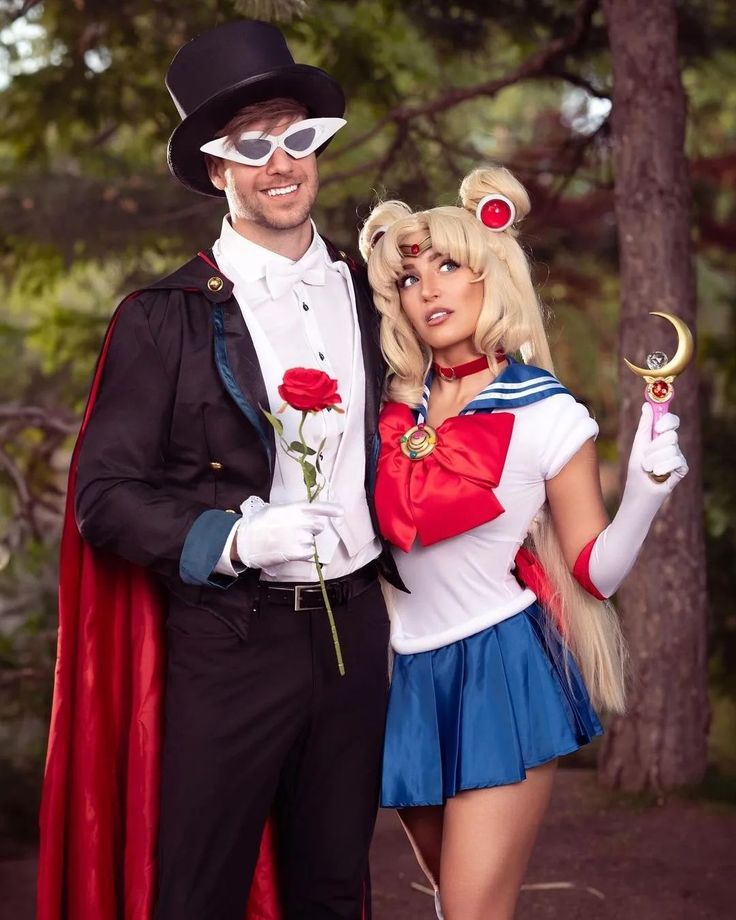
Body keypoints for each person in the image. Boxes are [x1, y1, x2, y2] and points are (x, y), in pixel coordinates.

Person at [37, 19, 402, 920]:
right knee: (198, 890)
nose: (281, 164)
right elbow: (102, 499)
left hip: (357, 635)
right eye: (252, 145)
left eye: (297, 138)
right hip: (231, 644)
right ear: (216, 168)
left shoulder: (371, 294)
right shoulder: (159, 317)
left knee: (332, 885)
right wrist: (234, 538)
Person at [357, 165, 688, 920]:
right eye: (409, 277)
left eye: (448, 266)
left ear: (491, 274)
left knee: (475, 912)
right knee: (455, 904)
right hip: (404, 675)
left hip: (499, 670)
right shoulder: (389, 408)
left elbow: (593, 572)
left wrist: (642, 495)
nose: (429, 289)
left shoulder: (546, 412)